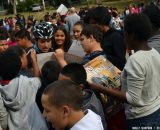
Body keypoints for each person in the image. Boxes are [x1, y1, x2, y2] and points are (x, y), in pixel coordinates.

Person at [89, 13, 160, 129]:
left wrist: (101, 88)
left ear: (131, 35)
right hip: (155, 111)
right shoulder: (154, 53)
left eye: (125, 34)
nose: (123, 38)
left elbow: (133, 99)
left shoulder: (136, 60)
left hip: (141, 118)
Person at [0, 48, 48, 130]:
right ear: (20, 62)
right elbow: (38, 80)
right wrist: (34, 60)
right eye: (25, 55)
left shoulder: (1, 89)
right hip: (37, 127)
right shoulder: (26, 83)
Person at [58, 63, 107, 130]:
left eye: (65, 86)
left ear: (80, 87)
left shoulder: (88, 110)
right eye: (58, 84)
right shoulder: (81, 94)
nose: (59, 89)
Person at [84, 6, 126, 71]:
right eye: (90, 24)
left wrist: (102, 56)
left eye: (94, 23)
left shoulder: (115, 37)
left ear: (102, 21)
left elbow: (121, 62)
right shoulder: (97, 36)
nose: (91, 26)